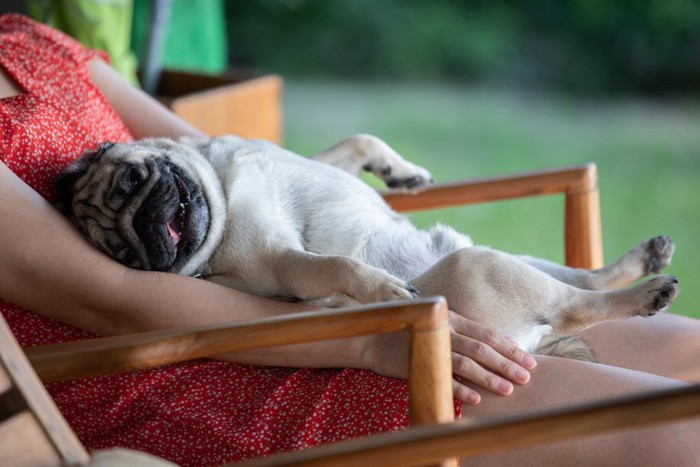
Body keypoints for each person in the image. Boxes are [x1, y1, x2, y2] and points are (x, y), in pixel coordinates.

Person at [0, 14, 698, 466]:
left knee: (690, 359)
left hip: (316, 299)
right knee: (678, 434)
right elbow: (113, 302)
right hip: (199, 365)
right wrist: (369, 336)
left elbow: (222, 156)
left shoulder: (35, 45)